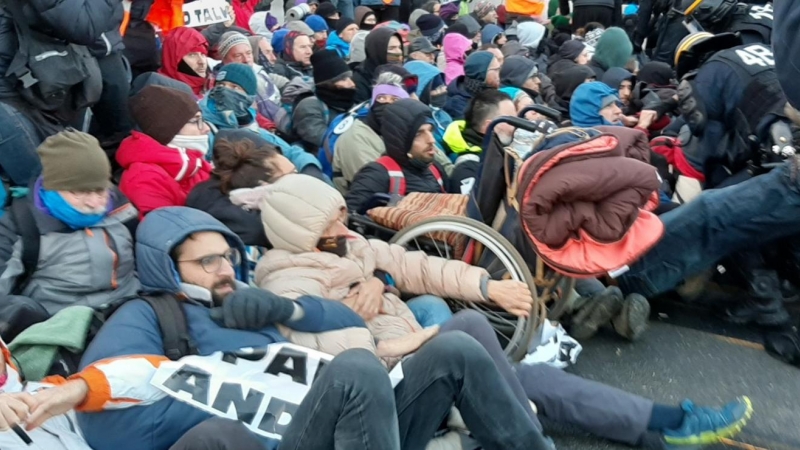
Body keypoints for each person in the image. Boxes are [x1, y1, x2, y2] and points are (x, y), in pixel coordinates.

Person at [74, 205, 560, 450]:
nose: (223, 268)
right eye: (206, 261)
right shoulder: (146, 316)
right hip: (271, 439)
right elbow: (103, 422)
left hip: (333, 424)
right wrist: (231, 397)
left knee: (456, 347)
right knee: (356, 370)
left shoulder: (247, 299)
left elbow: (346, 319)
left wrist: (284, 312)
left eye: (227, 255)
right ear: (167, 267)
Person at [256, 173, 530, 365]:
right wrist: (389, 346)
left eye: (339, 217)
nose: (343, 229)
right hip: (382, 359)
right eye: (327, 226)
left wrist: (486, 287)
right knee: (469, 333)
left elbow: (415, 267)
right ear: (300, 236)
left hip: (398, 324)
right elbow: (311, 344)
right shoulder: (285, 281)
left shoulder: (344, 244)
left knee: (433, 304)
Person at [0, 130, 139, 338]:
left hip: (130, 316)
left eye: (100, 190)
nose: (94, 203)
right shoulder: (21, 227)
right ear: (53, 187)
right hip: (59, 331)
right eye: (79, 192)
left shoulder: (122, 210)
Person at [200, 63, 323, 176]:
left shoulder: (252, 127)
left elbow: (291, 152)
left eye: (235, 87)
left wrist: (310, 168)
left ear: (248, 96)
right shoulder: (203, 128)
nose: (225, 90)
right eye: (220, 85)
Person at [186, 130, 300, 249]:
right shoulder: (252, 225)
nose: (300, 179)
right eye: (291, 175)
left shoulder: (227, 191)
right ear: (259, 190)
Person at [118, 85, 213, 219]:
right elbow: (163, 231)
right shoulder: (143, 178)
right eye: (194, 121)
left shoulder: (194, 163)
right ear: (167, 129)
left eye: (202, 120)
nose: (206, 128)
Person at [346, 99, 452, 212]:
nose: (431, 140)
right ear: (400, 139)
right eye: (418, 134)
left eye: (430, 130)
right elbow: (350, 219)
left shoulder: (435, 169)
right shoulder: (377, 174)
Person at [332, 73, 410, 192]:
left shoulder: (407, 131)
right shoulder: (356, 137)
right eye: (381, 98)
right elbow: (373, 184)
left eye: (395, 99)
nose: (386, 104)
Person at [443, 89, 517, 194]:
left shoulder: (498, 150)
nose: (515, 127)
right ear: (489, 127)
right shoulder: (467, 168)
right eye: (510, 121)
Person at [293, 50, 358, 152]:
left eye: (350, 78)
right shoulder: (309, 106)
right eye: (344, 79)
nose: (352, 84)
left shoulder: (348, 102)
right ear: (328, 83)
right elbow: (323, 139)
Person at [405, 59, 455, 150]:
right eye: (436, 88)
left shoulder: (442, 114)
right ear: (421, 91)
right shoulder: (416, 123)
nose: (443, 90)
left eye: (442, 86)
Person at [570, 81, 657, 132]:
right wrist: (641, 127)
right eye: (608, 106)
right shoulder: (586, 144)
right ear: (588, 112)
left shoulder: (614, 128)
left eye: (616, 104)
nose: (618, 110)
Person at [352, 28, 405, 103]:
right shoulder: (360, 80)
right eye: (391, 48)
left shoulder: (401, 71)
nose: (398, 52)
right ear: (377, 50)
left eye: (400, 47)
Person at [444, 51, 502, 120]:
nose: (499, 74)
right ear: (481, 74)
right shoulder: (458, 104)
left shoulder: (488, 91)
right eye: (496, 70)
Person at [159, 27, 209, 98]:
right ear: (173, 57)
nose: (202, 62)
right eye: (192, 55)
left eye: (203, 54)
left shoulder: (215, 86)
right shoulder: (159, 93)